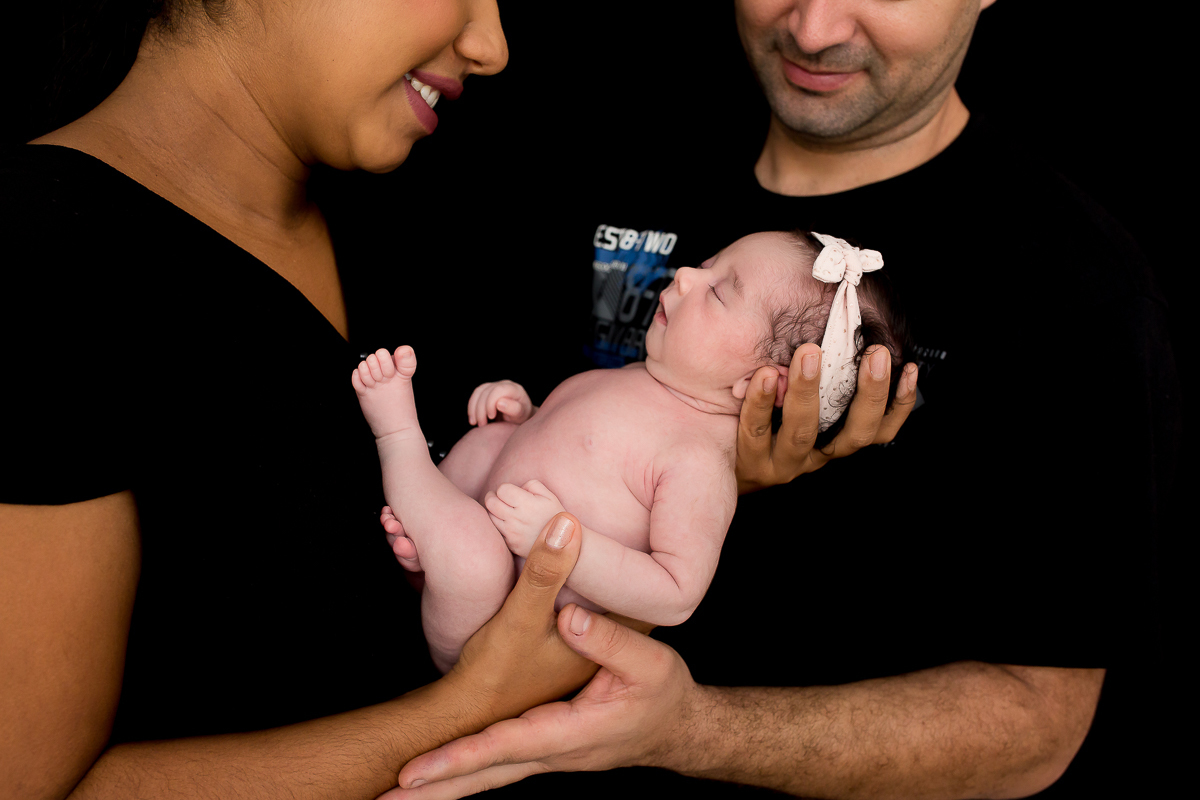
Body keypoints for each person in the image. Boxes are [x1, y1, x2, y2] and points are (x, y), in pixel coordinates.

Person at [0, 2, 904, 798]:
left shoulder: (412, 187)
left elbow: (593, 474)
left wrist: (718, 466)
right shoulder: (45, 259)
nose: (494, 44)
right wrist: (470, 708)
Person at [381, 1, 1180, 798]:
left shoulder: (1076, 292)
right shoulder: (597, 131)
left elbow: (1034, 725)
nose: (813, 29)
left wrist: (688, 730)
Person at [354, 231, 910, 672]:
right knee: (490, 442)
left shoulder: (697, 462)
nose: (687, 274)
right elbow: (571, 441)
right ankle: (430, 548)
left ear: (770, 382)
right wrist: (526, 415)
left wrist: (562, 540)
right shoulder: (650, 376)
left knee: (473, 556)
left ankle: (398, 440)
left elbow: (676, 594)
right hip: (483, 526)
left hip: (494, 625)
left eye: (718, 291)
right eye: (709, 260)